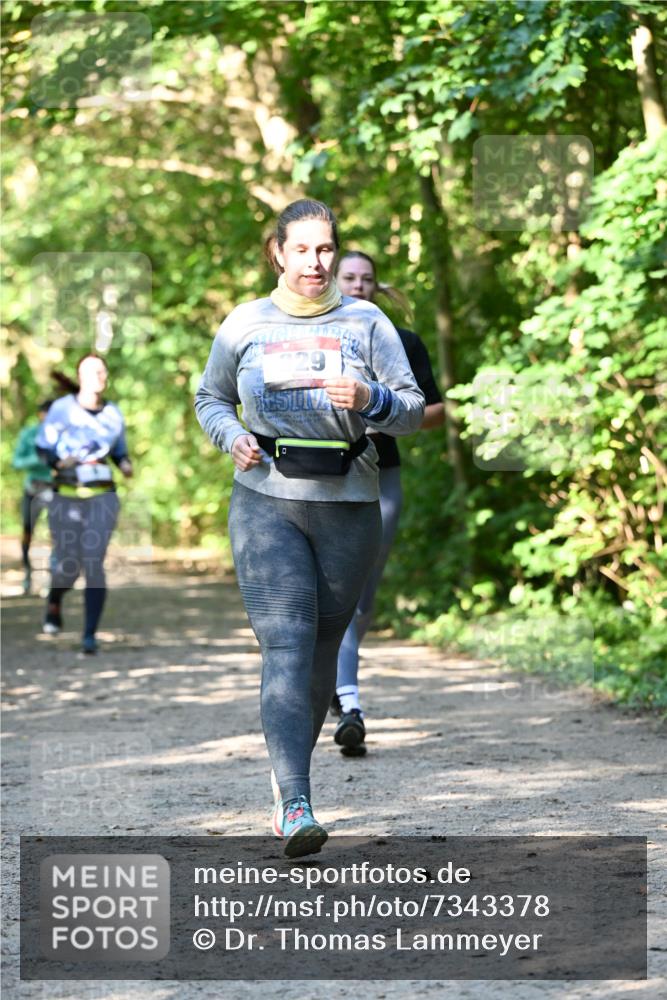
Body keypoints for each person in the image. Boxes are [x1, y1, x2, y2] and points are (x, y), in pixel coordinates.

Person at [194, 199, 424, 858]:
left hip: (349, 501)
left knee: (323, 644)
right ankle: (293, 802)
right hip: (266, 500)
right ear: (278, 252)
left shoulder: (367, 321)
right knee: (288, 641)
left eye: (326, 250)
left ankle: (296, 778)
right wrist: (232, 435)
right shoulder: (245, 324)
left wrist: (372, 400)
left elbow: (411, 409)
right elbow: (211, 396)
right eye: (302, 250)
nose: (316, 262)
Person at [331, 251, 445, 757]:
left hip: (382, 477)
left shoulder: (405, 342)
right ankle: (349, 701)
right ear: (333, 281)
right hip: (320, 480)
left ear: (378, 287)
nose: (358, 285)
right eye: (348, 277)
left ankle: (339, 681)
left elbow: (437, 410)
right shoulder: (314, 337)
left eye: (367, 279)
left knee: (362, 596)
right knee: (339, 596)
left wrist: (388, 415)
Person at [36, 354, 133, 654]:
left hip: (103, 494)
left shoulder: (113, 414)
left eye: (102, 371)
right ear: (80, 376)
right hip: (66, 494)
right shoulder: (61, 409)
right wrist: (57, 461)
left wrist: (125, 463)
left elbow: (119, 452)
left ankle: (89, 634)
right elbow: (43, 448)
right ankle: (55, 600)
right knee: (68, 565)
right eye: (92, 371)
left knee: (93, 561)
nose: (98, 376)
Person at [12, 400, 54, 594]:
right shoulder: (29, 434)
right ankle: (28, 575)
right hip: (32, 488)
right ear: (40, 415)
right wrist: (38, 459)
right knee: (27, 533)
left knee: (56, 535)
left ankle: (51, 578)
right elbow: (17, 461)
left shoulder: (64, 436)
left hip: (55, 490)